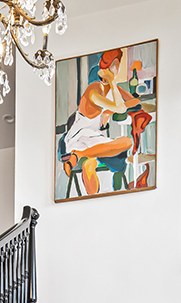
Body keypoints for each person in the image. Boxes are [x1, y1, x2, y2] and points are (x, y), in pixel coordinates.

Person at [62, 49, 152, 195]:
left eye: (117, 66)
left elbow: (135, 101)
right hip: (79, 136)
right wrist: (111, 82)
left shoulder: (113, 89)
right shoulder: (93, 91)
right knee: (89, 165)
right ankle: (79, 158)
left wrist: (109, 111)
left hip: (95, 137)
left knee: (126, 142)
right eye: (113, 66)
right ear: (104, 69)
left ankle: (78, 155)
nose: (115, 70)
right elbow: (120, 107)